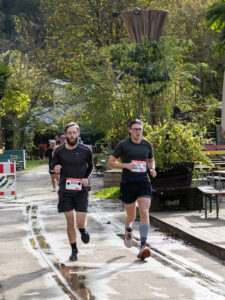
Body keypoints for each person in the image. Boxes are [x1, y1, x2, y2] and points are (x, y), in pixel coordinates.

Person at [108, 119, 157, 260]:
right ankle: (128, 228)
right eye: (135, 129)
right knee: (131, 216)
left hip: (143, 182)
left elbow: (151, 159)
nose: (137, 132)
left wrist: (152, 168)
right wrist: (126, 165)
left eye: (140, 129)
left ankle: (143, 246)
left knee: (144, 211)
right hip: (128, 183)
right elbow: (111, 163)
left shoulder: (147, 145)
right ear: (130, 130)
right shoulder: (123, 145)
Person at [51, 122, 93, 261]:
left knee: (80, 222)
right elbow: (53, 166)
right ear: (65, 135)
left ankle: (82, 230)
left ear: (78, 134)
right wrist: (55, 169)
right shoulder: (59, 151)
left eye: (74, 132)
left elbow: (91, 167)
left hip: (81, 190)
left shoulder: (86, 150)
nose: (72, 135)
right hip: (65, 190)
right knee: (70, 220)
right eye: (69, 132)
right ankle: (74, 249)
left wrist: (86, 178)